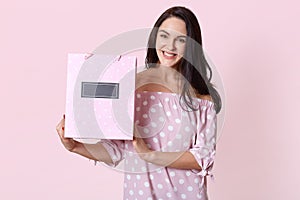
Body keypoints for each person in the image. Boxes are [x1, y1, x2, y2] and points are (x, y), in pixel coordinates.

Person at [56, 6, 222, 200]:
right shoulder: (131, 88)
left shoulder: (202, 99)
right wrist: (74, 146)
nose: (170, 46)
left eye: (181, 40)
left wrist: (150, 155)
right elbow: (115, 149)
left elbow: (202, 157)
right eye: (164, 36)